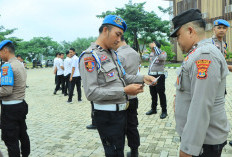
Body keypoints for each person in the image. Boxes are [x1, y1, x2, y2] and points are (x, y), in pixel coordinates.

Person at [79, 15, 156, 157]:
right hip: (107, 116)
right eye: (117, 34)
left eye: (121, 35)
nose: (119, 39)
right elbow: (91, 93)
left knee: (119, 150)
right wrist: (124, 91)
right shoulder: (90, 57)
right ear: (105, 30)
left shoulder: (112, 55)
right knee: (114, 152)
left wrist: (143, 78)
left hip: (121, 113)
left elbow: (124, 77)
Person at [171, 9, 229, 157]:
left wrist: (187, 149)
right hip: (200, 139)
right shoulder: (197, 52)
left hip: (204, 142)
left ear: (190, 31)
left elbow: (201, 106)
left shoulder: (204, 55)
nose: (177, 41)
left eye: (178, 36)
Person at [0, 40, 30, 157]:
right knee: (23, 134)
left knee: (11, 139)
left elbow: (6, 90)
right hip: (20, 105)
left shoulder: (7, 66)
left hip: (10, 108)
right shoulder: (19, 64)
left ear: (5, 50)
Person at [116, 36, 141, 157]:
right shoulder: (135, 53)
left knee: (118, 128)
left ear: (118, 39)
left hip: (121, 96)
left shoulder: (117, 55)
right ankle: (134, 151)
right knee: (132, 125)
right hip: (133, 95)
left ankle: (118, 151)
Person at [146, 40, 167, 119]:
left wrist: (155, 47)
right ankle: (153, 109)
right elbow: (150, 65)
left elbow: (161, 58)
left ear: (156, 46)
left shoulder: (163, 53)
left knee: (161, 94)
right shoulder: (151, 54)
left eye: (152, 46)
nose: (151, 48)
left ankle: (164, 111)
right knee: (153, 93)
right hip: (151, 76)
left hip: (159, 76)